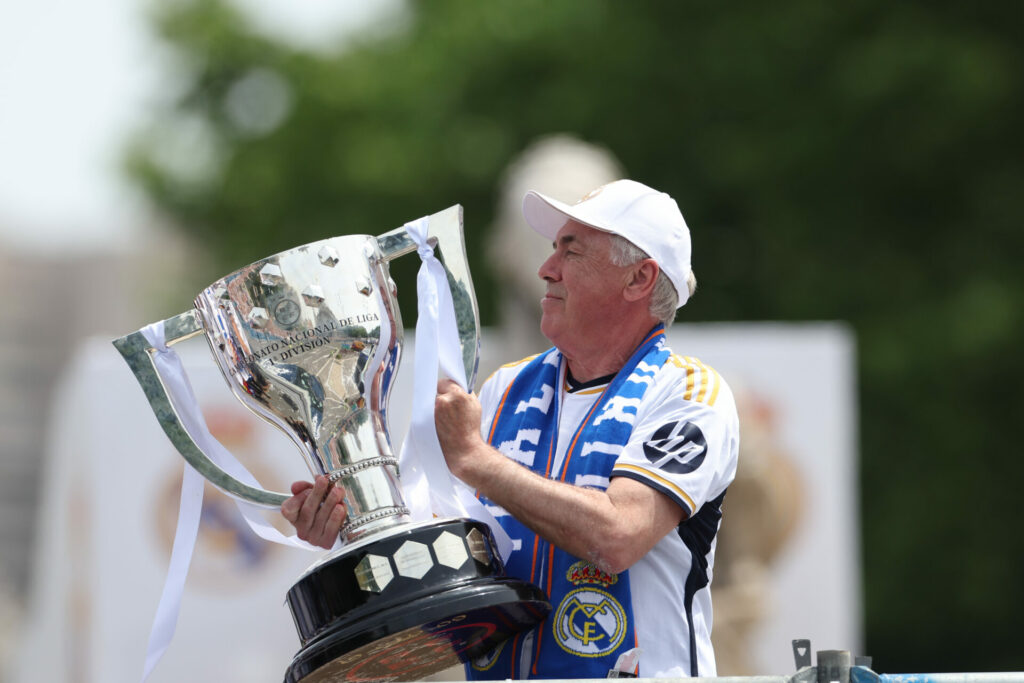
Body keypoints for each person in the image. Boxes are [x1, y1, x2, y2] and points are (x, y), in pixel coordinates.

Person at [282, 179, 740, 679]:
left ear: (639, 279)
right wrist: (348, 519)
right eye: (552, 249)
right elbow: (429, 542)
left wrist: (478, 461)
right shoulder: (504, 388)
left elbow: (618, 535)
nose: (546, 269)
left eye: (573, 251)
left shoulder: (689, 393)